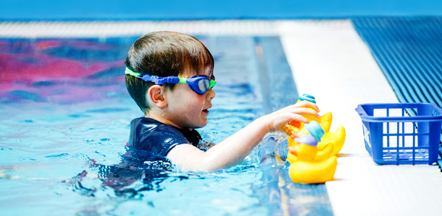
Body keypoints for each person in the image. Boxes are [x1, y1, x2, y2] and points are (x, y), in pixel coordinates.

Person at [124, 31, 320, 172]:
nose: (212, 94)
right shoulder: (153, 135)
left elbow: (223, 153)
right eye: (201, 85)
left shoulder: (179, 129)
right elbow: (204, 165)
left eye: (211, 82)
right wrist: (264, 124)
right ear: (159, 96)